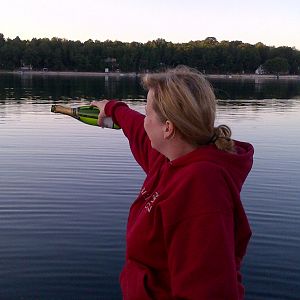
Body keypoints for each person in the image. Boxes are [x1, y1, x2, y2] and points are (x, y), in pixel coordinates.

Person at [91, 66, 254, 300]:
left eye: (148, 114)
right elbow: (137, 128)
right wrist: (113, 109)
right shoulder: (171, 157)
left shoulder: (202, 190)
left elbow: (210, 291)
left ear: (168, 128)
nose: (144, 120)